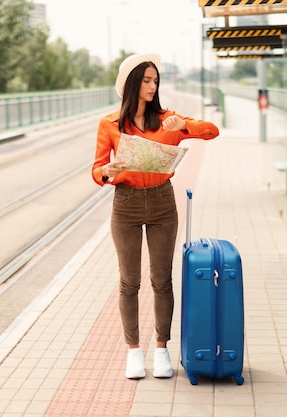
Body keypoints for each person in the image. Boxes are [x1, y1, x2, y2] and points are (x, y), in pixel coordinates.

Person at [92, 53, 219, 379]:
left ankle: (161, 349)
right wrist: (108, 170)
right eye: (146, 80)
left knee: (161, 280)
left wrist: (185, 125)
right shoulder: (109, 125)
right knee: (129, 282)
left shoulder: (167, 119)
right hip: (126, 204)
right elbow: (97, 171)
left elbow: (212, 131)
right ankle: (134, 352)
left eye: (155, 81)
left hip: (163, 202)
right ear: (132, 83)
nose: (152, 86)